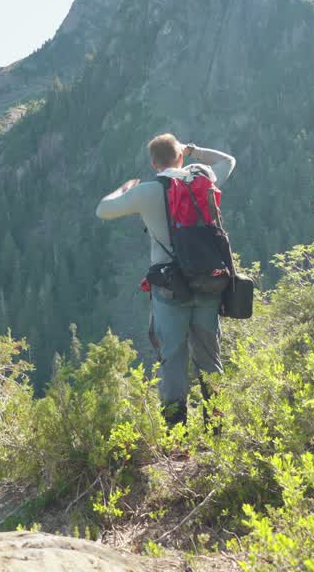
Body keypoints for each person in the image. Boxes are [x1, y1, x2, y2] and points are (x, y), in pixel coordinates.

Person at [95, 133, 236, 426]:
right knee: (209, 358)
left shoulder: (147, 192)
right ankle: (217, 429)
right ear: (180, 156)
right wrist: (193, 149)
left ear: (153, 163)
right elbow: (228, 160)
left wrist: (123, 189)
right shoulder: (203, 179)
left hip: (170, 288)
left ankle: (176, 432)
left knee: (172, 358)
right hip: (208, 283)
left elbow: (103, 210)